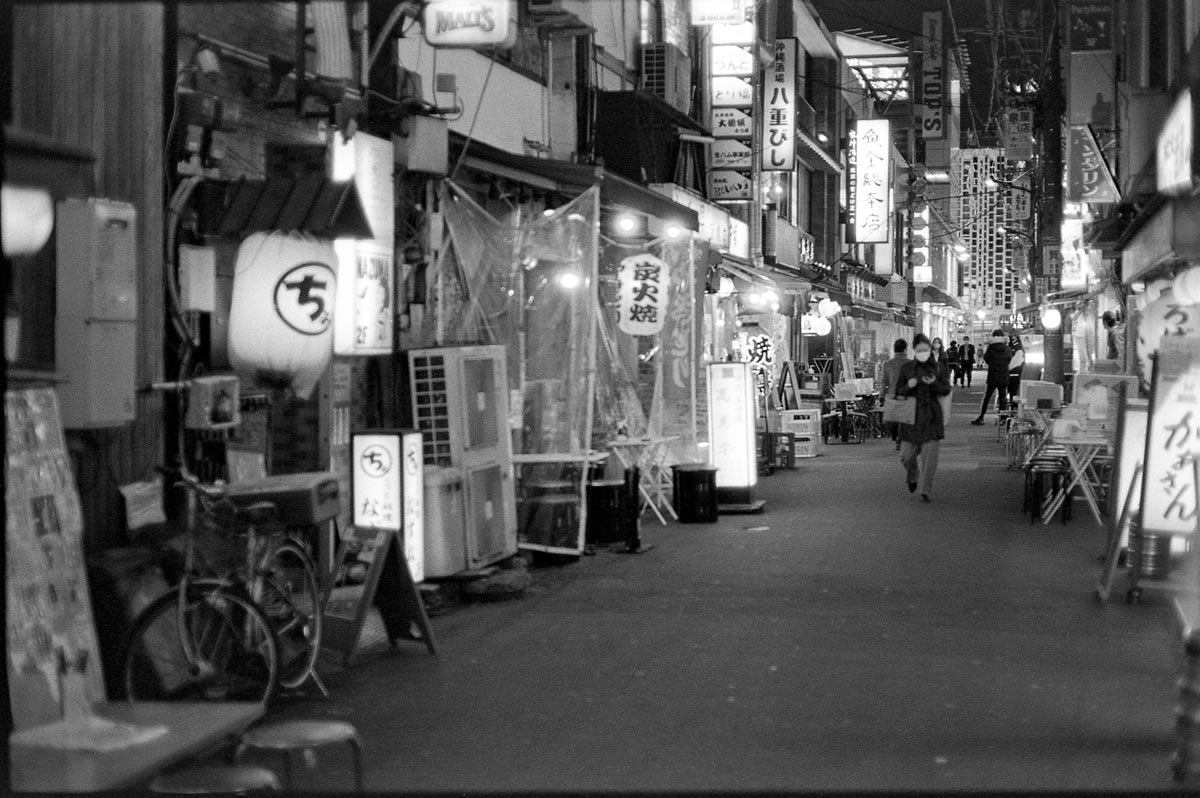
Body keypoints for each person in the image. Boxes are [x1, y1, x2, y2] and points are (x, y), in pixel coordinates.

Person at [894, 334, 951, 502]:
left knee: (929, 458)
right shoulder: (907, 369)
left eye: (925, 350)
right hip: (910, 417)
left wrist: (933, 383)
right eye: (919, 350)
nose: (923, 353)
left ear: (930, 350)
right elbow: (898, 392)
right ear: (914, 351)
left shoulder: (939, 368)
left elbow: (946, 390)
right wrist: (908, 386)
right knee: (906, 456)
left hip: (932, 416)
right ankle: (913, 474)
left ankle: (925, 490)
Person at [971, 329, 1013, 425]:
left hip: (993, 375)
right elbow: (1009, 359)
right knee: (1003, 398)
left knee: (987, 397)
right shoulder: (1007, 349)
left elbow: (987, 359)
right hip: (1003, 375)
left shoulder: (991, 348)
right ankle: (1002, 418)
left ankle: (981, 417)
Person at [880, 338, 910, 450]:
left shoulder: (888, 364)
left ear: (894, 350)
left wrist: (881, 395)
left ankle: (896, 436)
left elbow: (884, 381)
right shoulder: (910, 363)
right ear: (905, 349)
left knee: (895, 418)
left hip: (892, 395)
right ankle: (901, 438)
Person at [1006, 334, 1025, 406]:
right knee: (1016, 391)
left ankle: (1011, 404)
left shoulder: (1008, 348)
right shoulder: (1020, 349)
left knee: (1010, 391)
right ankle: (1014, 405)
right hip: (1018, 372)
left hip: (1009, 372)